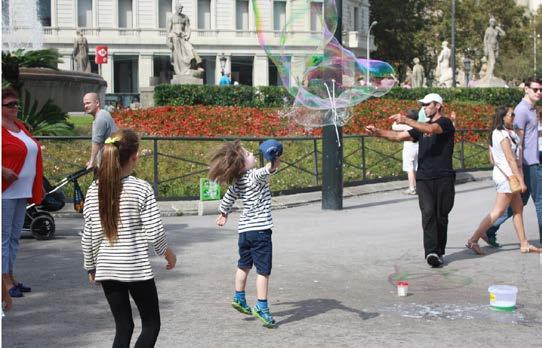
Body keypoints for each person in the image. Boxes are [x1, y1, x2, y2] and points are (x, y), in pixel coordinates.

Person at [81, 129, 177, 347]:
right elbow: (154, 231)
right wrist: (168, 254)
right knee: (151, 324)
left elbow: (90, 235)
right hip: (135, 267)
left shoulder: (94, 189)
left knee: (123, 327)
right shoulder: (141, 188)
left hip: (107, 268)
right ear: (135, 156)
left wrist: (91, 267)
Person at [366, 93, 455, 268]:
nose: (424, 108)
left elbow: (431, 130)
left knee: (441, 216)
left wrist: (405, 120)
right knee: (428, 212)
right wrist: (377, 132)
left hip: (444, 176)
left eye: (427, 104)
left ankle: (439, 251)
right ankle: (431, 252)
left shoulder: (445, 123)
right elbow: (398, 137)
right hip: (424, 178)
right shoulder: (421, 127)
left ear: (437, 105)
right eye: (422, 105)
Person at [208, 140, 280, 328]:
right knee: (263, 271)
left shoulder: (238, 182)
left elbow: (228, 198)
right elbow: (268, 170)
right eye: (248, 155)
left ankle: (239, 297)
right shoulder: (254, 176)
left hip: (244, 232)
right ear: (242, 165)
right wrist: (273, 159)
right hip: (260, 231)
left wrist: (223, 214)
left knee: (244, 265)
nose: (252, 155)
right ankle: (262, 306)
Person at [466, 107, 541, 255]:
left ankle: (524, 244)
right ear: (502, 117)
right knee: (498, 210)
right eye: (511, 114)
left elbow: (496, 158)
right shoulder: (500, 134)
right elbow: (510, 159)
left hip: (509, 175)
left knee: (518, 208)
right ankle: (473, 240)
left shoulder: (509, 133)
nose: (514, 116)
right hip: (507, 176)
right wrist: (521, 180)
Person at [485, 78, 542, 246]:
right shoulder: (522, 110)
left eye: (540, 89)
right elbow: (516, 141)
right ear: (526, 89)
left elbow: (527, 137)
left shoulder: (531, 109)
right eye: (535, 89)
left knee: (519, 203)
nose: (539, 92)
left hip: (531, 160)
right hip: (528, 163)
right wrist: (519, 171)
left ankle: (489, 229)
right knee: (539, 201)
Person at [2, 87, 44, 298]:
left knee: (14, 237)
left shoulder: (19, 126)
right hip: (5, 190)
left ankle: (9, 275)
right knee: (3, 237)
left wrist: (37, 181)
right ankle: (5, 282)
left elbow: (31, 150)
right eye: (10, 105)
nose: (15, 108)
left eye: (16, 104)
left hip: (22, 189)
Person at [83, 92, 117, 169]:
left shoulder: (100, 117)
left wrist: (91, 162)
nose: (86, 106)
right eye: (84, 104)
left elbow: (96, 142)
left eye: (88, 103)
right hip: (109, 159)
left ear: (97, 103)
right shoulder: (102, 114)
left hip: (110, 162)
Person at [167, 3, 202, 75]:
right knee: (178, 55)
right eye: (179, 8)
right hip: (175, 38)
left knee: (190, 49)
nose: (180, 10)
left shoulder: (185, 17)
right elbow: (168, 29)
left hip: (183, 37)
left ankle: (193, 66)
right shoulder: (171, 17)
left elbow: (188, 27)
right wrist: (169, 41)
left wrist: (187, 36)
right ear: (176, 8)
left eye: (181, 8)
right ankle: (180, 71)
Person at [392, 109, 419, 195]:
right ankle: (416, 187)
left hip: (409, 147)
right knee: (415, 167)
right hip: (418, 146)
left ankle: (412, 188)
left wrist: (396, 119)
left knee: (409, 168)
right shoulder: (418, 124)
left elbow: (394, 127)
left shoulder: (406, 126)